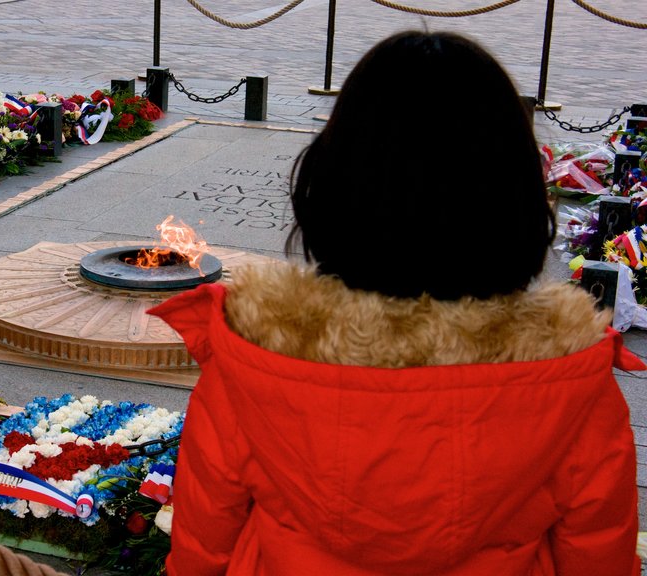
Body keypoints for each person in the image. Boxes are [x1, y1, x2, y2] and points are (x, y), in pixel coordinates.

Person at [149, 30, 643, 575]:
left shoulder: (256, 361)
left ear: (333, 185)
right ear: (516, 198)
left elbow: (202, 547)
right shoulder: (569, 379)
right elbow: (599, 554)